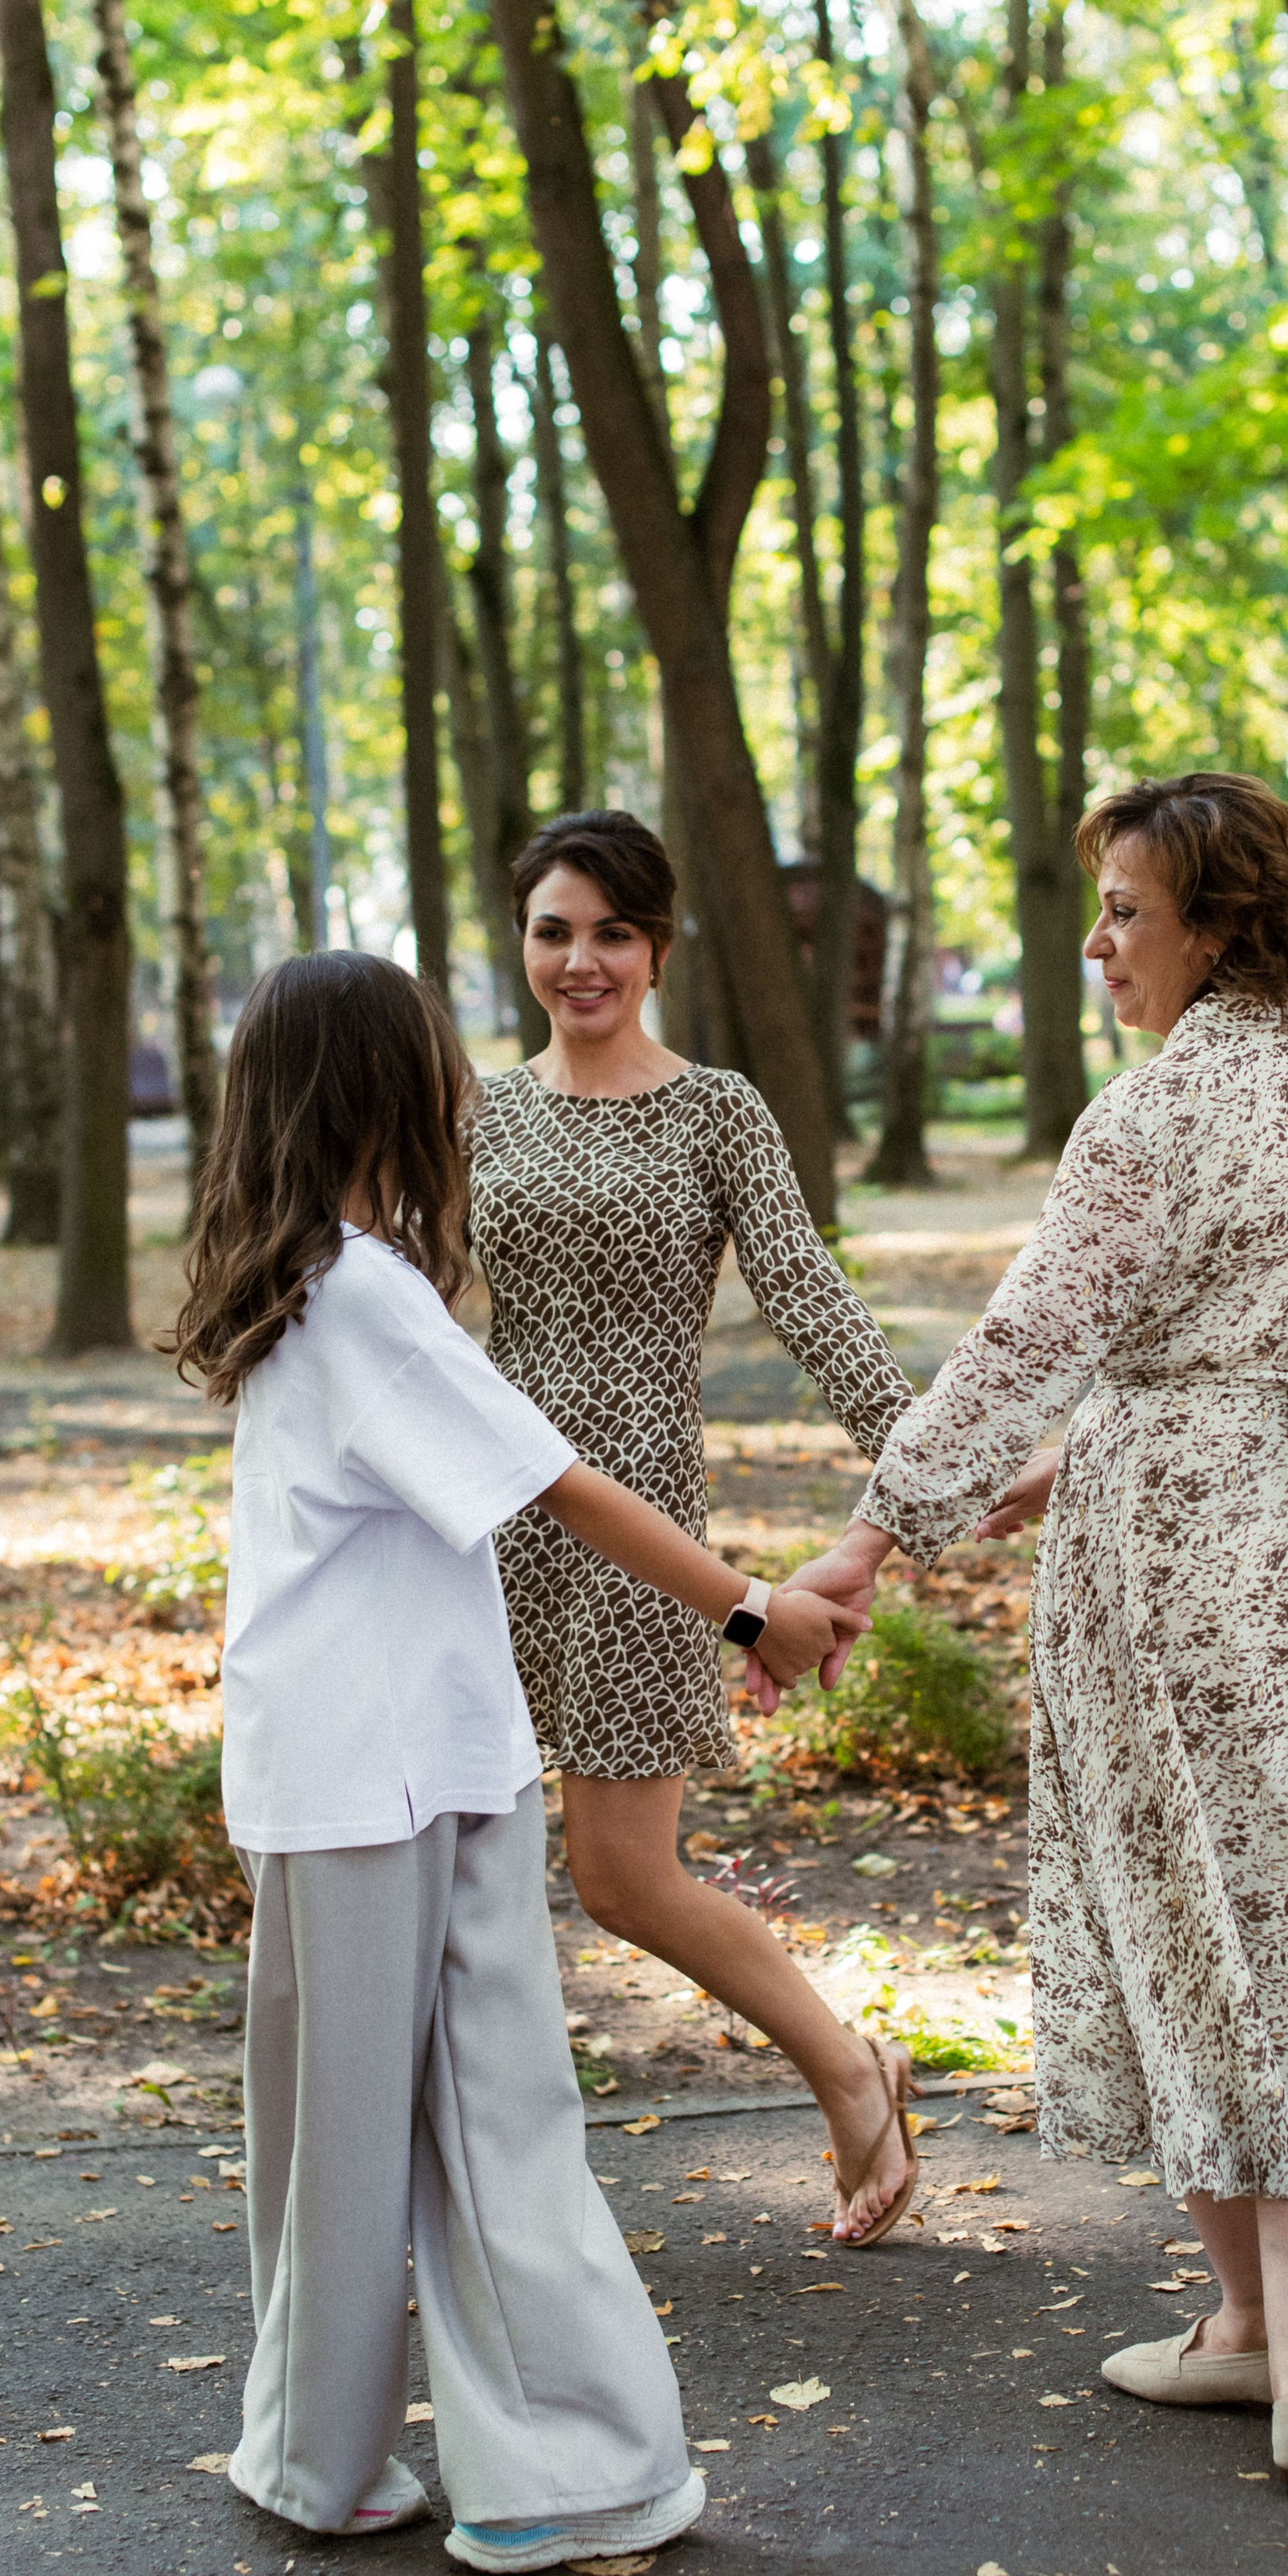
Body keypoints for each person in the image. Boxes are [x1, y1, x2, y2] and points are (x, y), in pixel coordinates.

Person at [784, 774, 1288, 2490]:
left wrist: (871, 1537)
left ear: (1217, 927)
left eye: (1125, 913)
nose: (1096, 944)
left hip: (1180, 1555)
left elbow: (1026, 1342)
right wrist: (1063, 1462)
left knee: (1186, 1907)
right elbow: (1253, 1332)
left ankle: (1277, 2347)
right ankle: (1275, 2350)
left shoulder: (1145, 1119)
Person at [172, 949, 866, 2566]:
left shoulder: (309, 1281)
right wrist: (751, 1609)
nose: (462, 1082)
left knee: (345, 2132)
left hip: (372, 1763)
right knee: (481, 2114)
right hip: (389, 1772)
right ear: (382, 1087)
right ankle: (552, 2472)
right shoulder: (362, 1295)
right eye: (435, 1054)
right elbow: (559, 1482)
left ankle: (325, 2461)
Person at [466, 811, 923, 2244]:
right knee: (467, 1872)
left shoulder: (715, 1111)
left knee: (621, 1877)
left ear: (658, 949)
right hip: (484, 1527)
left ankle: (848, 2067)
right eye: (553, 931)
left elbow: (812, 1302)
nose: (581, 961)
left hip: (639, 1538)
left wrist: (932, 1466)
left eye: (612, 933)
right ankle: (481, 2192)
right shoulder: (478, 1113)